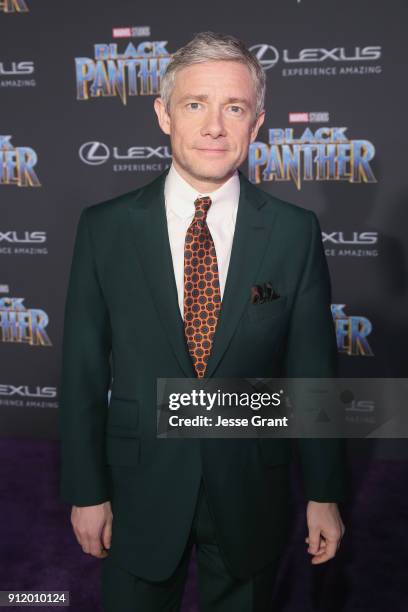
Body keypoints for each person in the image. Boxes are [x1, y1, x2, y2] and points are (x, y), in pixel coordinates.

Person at [59, 31, 346, 612]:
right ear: (164, 114)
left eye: (234, 108)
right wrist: (87, 491)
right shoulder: (104, 228)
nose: (215, 126)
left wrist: (324, 493)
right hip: (139, 488)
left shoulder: (294, 232)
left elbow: (313, 370)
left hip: (251, 487)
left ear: (257, 122)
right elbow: (83, 370)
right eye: (196, 105)